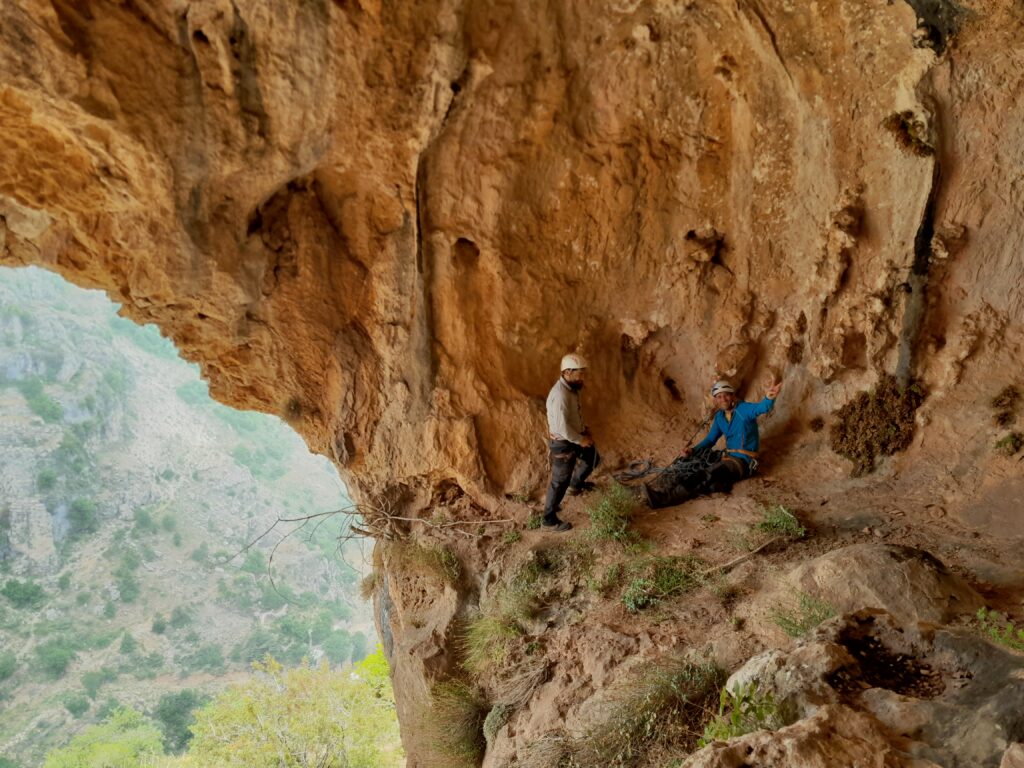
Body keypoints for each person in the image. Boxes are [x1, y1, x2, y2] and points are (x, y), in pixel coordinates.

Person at [644, 377, 781, 508]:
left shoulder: (744, 409)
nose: (723, 399)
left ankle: (664, 499)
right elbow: (710, 440)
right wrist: (692, 450)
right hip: (728, 457)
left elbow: (761, 408)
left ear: (733, 395)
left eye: (726, 395)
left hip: (743, 462)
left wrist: (769, 398)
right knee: (696, 470)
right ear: (715, 400)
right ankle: (715, 486)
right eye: (719, 397)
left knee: (706, 474)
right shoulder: (720, 417)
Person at [542, 353, 600, 531]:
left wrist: (584, 428)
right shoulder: (560, 395)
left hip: (574, 437)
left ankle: (576, 485)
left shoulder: (570, 389)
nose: (583, 377)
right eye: (580, 373)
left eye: (583, 373)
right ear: (567, 372)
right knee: (559, 481)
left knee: (593, 458)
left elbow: (572, 416)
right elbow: (560, 427)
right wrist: (580, 439)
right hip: (563, 443)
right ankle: (548, 520)